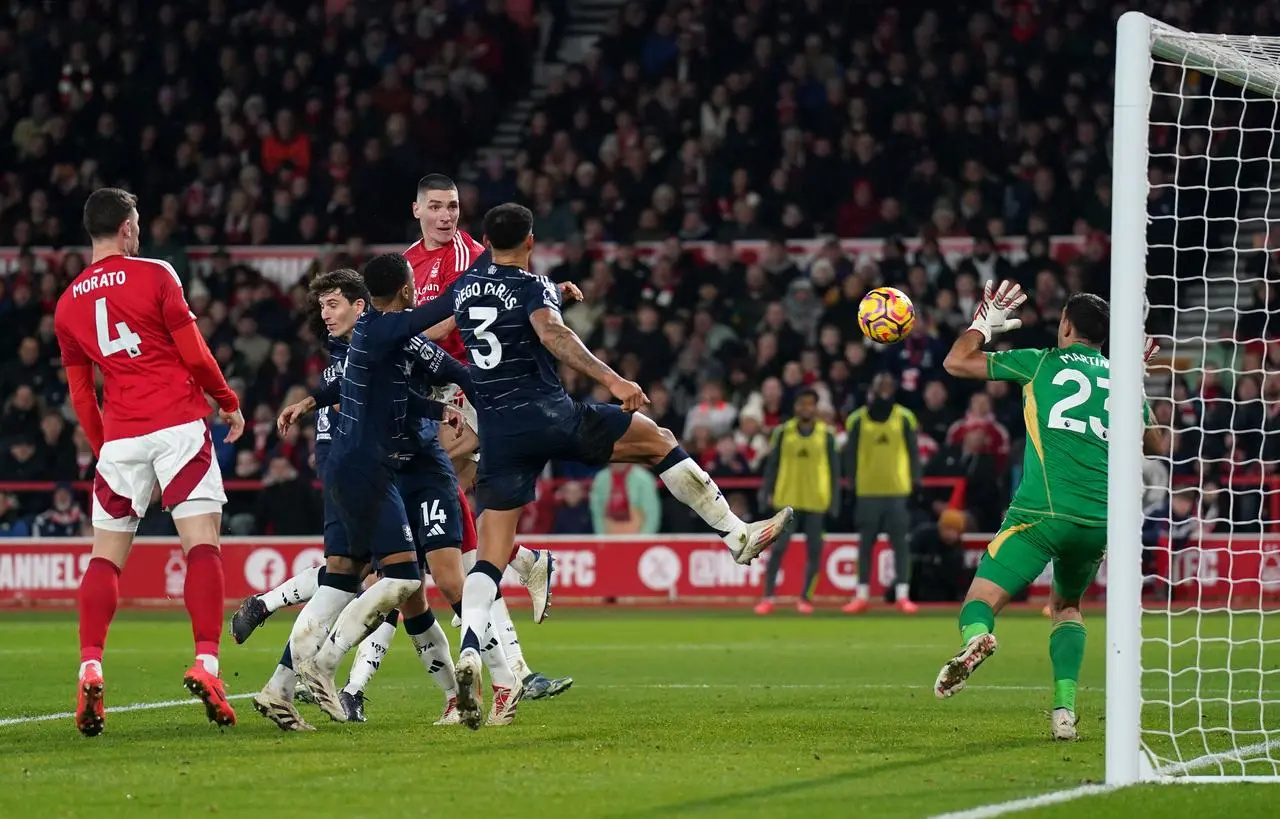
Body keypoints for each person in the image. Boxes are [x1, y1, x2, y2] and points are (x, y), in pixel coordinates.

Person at [415, 203, 792, 729]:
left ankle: (475, 649)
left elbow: (436, 330)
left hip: (499, 434)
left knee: (489, 557)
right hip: (551, 416)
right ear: (530, 240)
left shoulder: (465, 284)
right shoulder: (533, 287)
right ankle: (735, 535)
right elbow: (553, 335)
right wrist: (613, 381)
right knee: (657, 441)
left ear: (484, 239)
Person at [934, 280, 1163, 741]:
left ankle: (975, 639)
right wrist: (1135, 377)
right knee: (1067, 605)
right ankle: (1063, 713)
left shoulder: (1041, 361)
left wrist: (983, 324)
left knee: (981, 601)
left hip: (1041, 515)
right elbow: (1155, 444)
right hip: (1099, 523)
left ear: (1065, 325)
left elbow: (956, 362)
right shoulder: (1119, 375)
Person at [53, 187, 245, 737]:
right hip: (178, 427)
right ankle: (207, 662)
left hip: (121, 439)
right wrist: (227, 402)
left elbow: (81, 394)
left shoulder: (67, 303)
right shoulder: (156, 274)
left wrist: (104, 447)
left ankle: (91, 663)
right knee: (202, 545)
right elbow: (193, 351)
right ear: (129, 228)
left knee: (105, 560)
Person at [284, 254, 463, 724]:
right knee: (398, 582)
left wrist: (441, 407)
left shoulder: (375, 340)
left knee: (395, 583)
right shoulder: (367, 341)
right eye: (321, 306)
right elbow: (435, 318)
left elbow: (414, 383)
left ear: (361, 304)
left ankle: (283, 681)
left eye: (333, 304)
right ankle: (317, 668)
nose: (325, 314)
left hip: (395, 466)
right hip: (372, 470)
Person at [755, 388, 840, 615]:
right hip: (787, 500)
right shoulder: (783, 432)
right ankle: (768, 597)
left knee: (814, 550)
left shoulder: (827, 434)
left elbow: (834, 470)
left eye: (810, 404)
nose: (806, 408)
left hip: (816, 501)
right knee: (778, 548)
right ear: (795, 407)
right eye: (802, 404)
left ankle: (805, 598)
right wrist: (767, 492)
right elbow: (772, 465)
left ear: (816, 407)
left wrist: (835, 502)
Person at [843, 373, 922, 615]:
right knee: (865, 546)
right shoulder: (857, 419)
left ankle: (902, 595)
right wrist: (852, 483)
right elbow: (850, 454)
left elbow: (913, 452)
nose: (885, 390)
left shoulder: (905, 417)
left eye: (888, 386)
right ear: (872, 389)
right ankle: (862, 595)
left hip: (897, 491)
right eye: (881, 386)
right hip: (868, 491)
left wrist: (916, 481)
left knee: (900, 545)